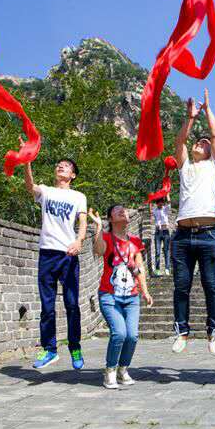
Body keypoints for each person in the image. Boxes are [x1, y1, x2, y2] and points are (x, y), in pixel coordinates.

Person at [170, 89, 215, 355]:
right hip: (182, 235)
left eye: (204, 143)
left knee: (211, 285)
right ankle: (181, 331)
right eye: (199, 142)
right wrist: (190, 118)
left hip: (209, 233)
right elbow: (179, 143)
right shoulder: (185, 167)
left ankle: (213, 333)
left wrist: (207, 110)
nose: (200, 143)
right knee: (181, 285)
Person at [22, 155, 88, 370]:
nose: (61, 166)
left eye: (67, 166)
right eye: (59, 165)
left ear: (73, 175)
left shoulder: (79, 196)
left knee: (71, 305)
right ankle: (49, 349)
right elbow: (30, 186)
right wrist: (26, 160)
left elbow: (83, 222)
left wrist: (79, 241)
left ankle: (75, 347)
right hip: (47, 254)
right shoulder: (46, 191)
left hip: (68, 254)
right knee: (47, 307)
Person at [88, 206, 153, 389]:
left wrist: (145, 292)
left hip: (131, 297)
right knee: (119, 333)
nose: (123, 212)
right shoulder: (107, 237)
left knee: (132, 336)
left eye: (124, 210)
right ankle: (110, 370)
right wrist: (99, 226)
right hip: (109, 295)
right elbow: (99, 250)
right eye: (117, 211)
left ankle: (122, 369)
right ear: (111, 218)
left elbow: (140, 269)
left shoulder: (135, 242)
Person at [149, 195, 172, 276]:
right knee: (157, 252)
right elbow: (150, 209)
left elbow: (169, 202)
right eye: (159, 203)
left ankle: (167, 269)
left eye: (161, 202)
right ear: (157, 203)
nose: (160, 204)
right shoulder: (155, 210)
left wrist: (167, 194)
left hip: (165, 231)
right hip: (158, 232)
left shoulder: (165, 209)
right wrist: (150, 198)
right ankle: (158, 269)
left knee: (166, 250)